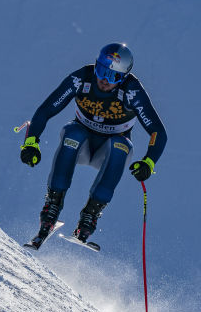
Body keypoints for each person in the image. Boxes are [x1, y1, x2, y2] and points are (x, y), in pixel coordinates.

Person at [20, 42, 167, 248]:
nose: (104, 81)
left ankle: (89, 217)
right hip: (82, 143)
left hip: (108, 151)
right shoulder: (82, 78)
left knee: (120, 145)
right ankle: (51, 208)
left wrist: (149, 162)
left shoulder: (131, 91)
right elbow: (46, 109)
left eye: (113, 77)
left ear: (123, 77)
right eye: (101, 71)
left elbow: (158, 132)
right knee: (74, 133)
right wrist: (30, 142)